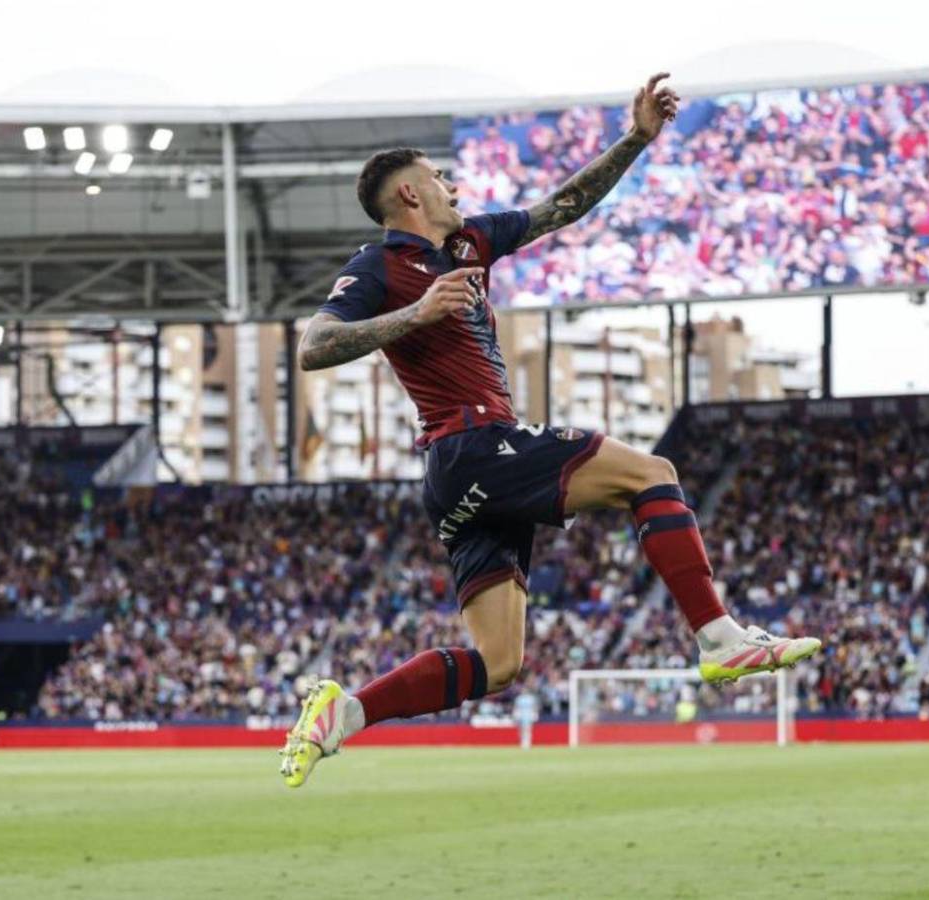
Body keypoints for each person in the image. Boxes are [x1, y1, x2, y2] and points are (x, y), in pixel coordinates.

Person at [280, 73, 821, 788]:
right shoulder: (378, 267)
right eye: (437, 178)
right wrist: (413, 316)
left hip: (459, 485)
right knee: (653, 476)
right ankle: (719, 637)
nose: (451, 186)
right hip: (472, 446)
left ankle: (345, 713)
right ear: (409, 194)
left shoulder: (471, 243)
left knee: (497, 664)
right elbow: (313, 348)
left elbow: (563, 206)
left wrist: (635, 139)